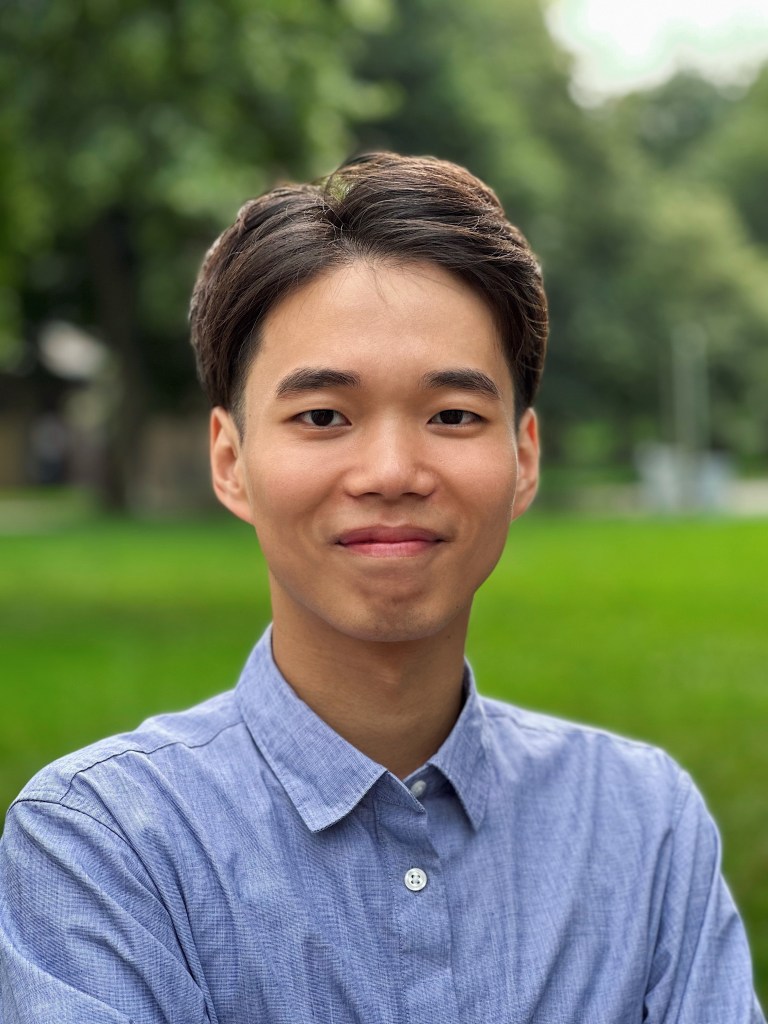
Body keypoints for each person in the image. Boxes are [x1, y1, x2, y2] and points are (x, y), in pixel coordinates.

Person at [0, 152, 763, 1023]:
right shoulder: (105, 843)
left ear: (523, 458)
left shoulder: (641, 822)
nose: (393, 471)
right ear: (230, 460)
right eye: (323, 416)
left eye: (453, 416)